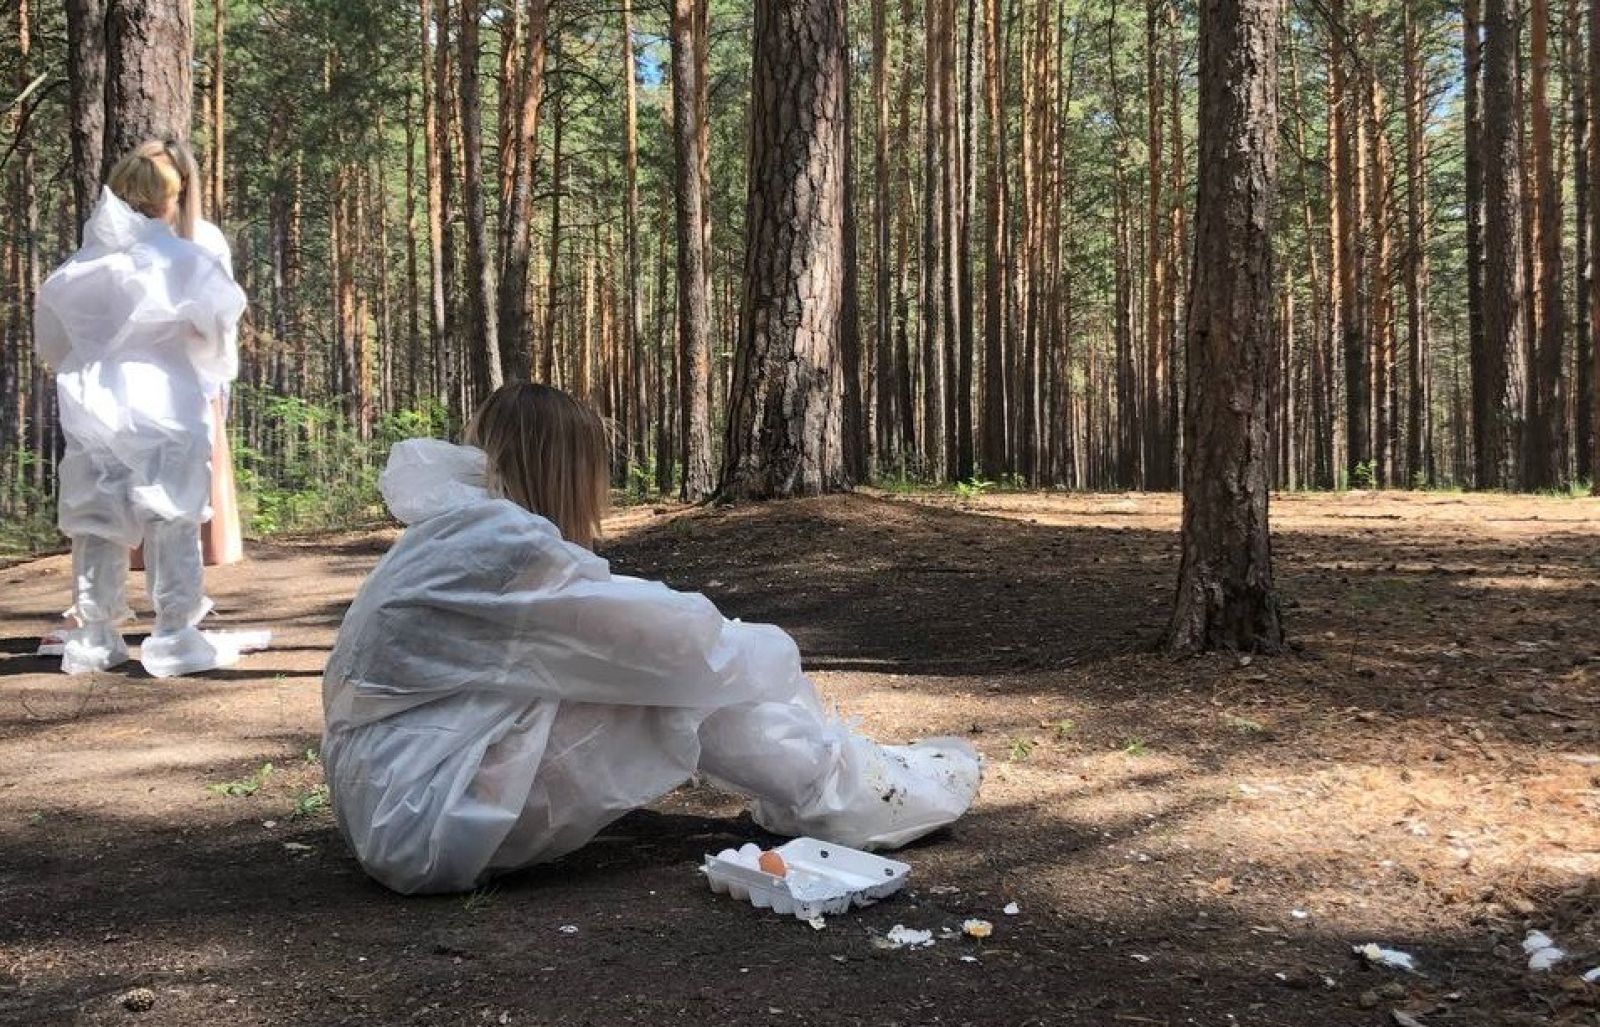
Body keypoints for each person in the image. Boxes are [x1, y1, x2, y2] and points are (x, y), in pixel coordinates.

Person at [322, 383, 982, 895]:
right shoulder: (496, 543)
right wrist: (767, 651)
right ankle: (848, 797)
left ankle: (831, 782)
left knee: (676, 670)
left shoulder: (453, 532)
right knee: (684, 687)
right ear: (562, 470)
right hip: (426, 819)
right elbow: (672, 645)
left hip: (389, 802)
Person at [34, 138, 249, 677]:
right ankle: (174, 634)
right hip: (166, 404)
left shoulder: (77, 267)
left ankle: (96, 636)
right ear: (172, 198)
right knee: (172, 519)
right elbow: (217, 333)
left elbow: (52, 347)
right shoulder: (187, 259)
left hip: (91, 406)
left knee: (95, 524)